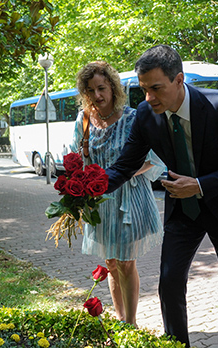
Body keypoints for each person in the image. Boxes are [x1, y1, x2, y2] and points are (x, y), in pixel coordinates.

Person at [105, 45, 218, 347]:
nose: (148, 98)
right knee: (168, 284)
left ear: (179, 80)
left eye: (156, 88)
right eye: (143, 90)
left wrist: (200, 185)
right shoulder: (145, 114)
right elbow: (125, 165)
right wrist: (90, 188)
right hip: (184, 211)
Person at [70, 61, 165, 327]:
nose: (97, 95)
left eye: (101, 88)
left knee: (125, 263)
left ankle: (131, 323)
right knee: (111, 263)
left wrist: (121, 174)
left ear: (112, 88)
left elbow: (156, 161)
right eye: (90, 90)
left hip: (130, 201)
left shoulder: (134, 118)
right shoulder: (84, 120)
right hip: (101, 204)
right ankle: (121, 318)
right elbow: (76, 158)